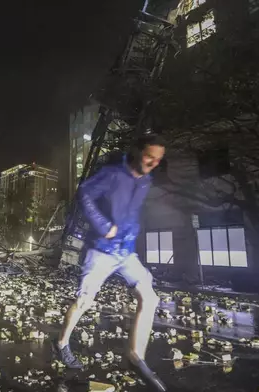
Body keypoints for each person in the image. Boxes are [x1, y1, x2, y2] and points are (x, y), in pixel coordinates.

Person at [54, 135, 167, 391]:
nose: (153, 163)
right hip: (101, 250)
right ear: (138, 151)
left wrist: (133, 229)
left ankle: (135, 356)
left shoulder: (146, 181)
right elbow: (84, 193)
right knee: (84, 301)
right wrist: (103, 225)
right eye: (150, 156)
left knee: (149, 297)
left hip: (126, 252)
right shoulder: (112, 174)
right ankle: (61, 343)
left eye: (158, 159)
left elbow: (132, 210)